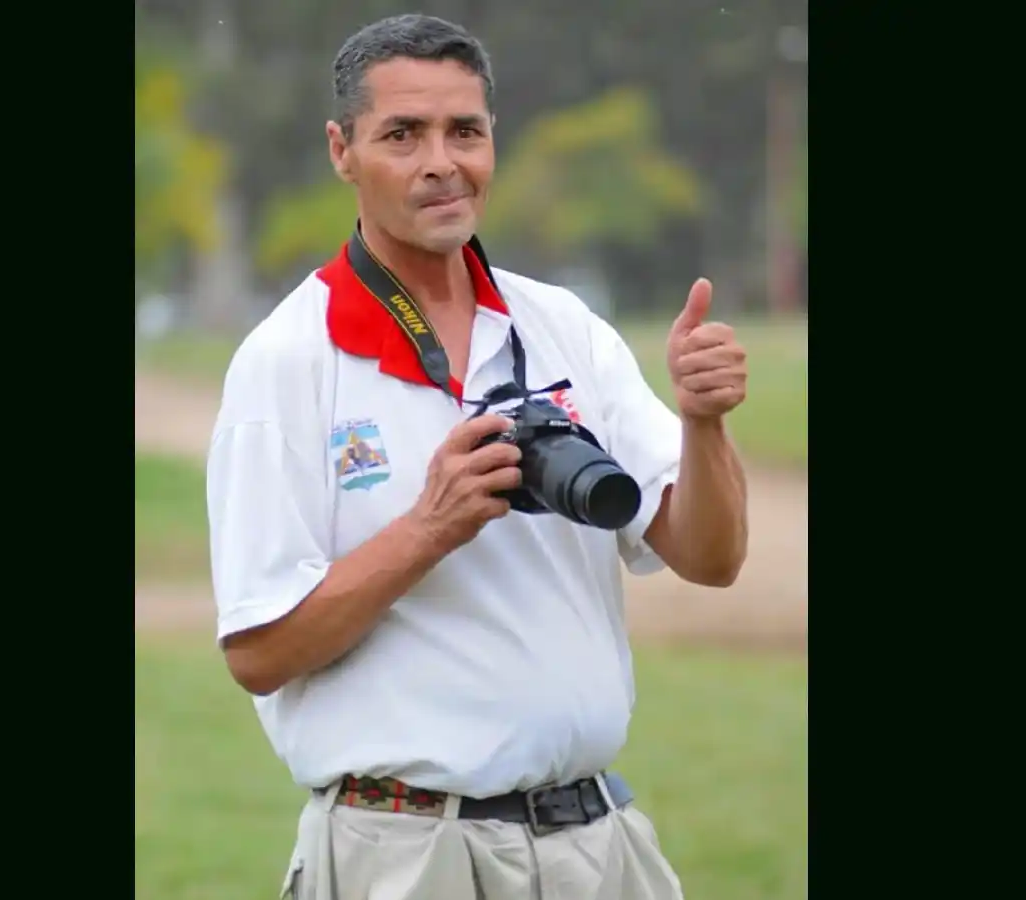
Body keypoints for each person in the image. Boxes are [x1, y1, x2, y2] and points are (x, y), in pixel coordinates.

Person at [206, 13, 749, 900]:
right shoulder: (287, 362)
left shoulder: (562, 325)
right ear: (342, 150)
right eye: (402, 134)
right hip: (408, 851)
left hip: (597, 842)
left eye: (465, 131)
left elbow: (713, 557)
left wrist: (703, 422)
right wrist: (430, 527)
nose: (440, 162)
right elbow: (259, 651)